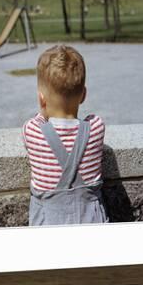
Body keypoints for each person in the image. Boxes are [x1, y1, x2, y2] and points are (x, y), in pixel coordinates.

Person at [22, 45, 108, 226]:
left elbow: (38, 119)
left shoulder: (32, 131)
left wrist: (45, 107)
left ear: (41, 99)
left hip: (49, 225)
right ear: (83, 95)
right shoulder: (96, 128)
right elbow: (91, 119)